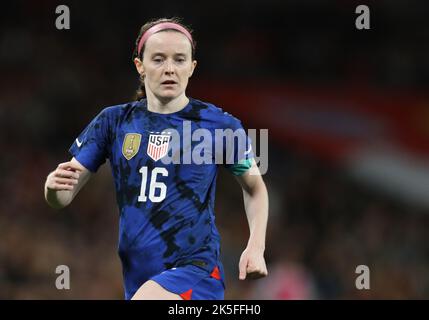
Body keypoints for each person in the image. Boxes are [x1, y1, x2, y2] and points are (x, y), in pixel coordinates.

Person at [44, 17, 268, 300]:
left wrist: (255, 246)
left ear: (192, 67)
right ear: (140, 66)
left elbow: (255, 188)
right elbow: (62, 196)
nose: (170, 69)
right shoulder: (113, 122)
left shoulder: (219, 126)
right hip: (137, 275)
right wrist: (52, 188)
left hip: (196, 271)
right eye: (159, 59)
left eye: (179, 59)